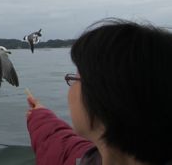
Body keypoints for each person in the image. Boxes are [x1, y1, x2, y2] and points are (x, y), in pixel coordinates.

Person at [26, 18, 172, 165]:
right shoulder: (88, 157)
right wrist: (40, 114)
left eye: (75, 78)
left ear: (103, 100)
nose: (70, 88)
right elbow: (59, 144)